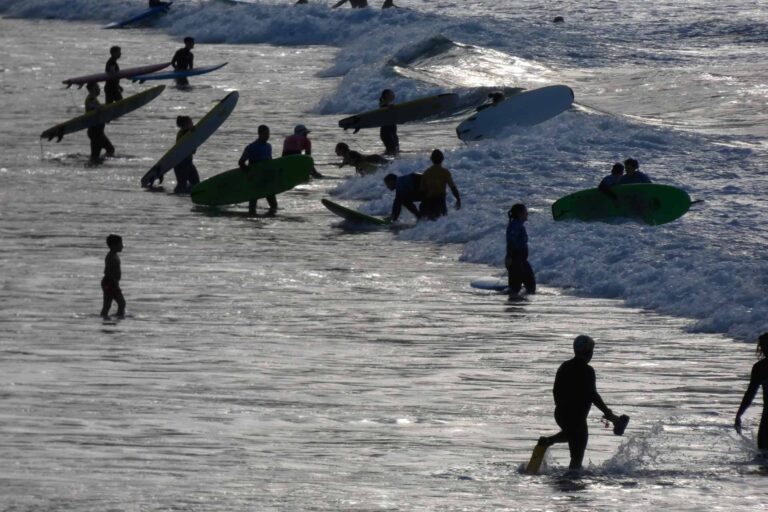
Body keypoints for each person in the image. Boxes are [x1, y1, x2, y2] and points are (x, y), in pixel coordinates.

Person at [536, 335, 625, 471]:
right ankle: (571, 484)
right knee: (576, 460)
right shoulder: (587, 370)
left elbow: (555, 390)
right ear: (589, 352)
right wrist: (608, 413)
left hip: (560, 413)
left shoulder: (564, 366)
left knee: (570, 434)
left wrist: (562, 407)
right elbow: (592, 395)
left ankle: (548, 442)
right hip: (576, 417)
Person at [734, 333, 768, 450]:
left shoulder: (760, 367)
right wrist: (739, 414)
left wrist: (739, 414)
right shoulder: (760, 367)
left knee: (763, 453)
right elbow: (750, 393)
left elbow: (751, 393)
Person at [239, 124, 276, 216]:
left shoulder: (269, 146)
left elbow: (270, 162)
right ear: (259, 134)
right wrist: (249, 174)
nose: (267, 136)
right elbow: (241, 162)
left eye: (268, 133)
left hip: (266, 179)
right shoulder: (251, 147)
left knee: (274, 205)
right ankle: (252, 218)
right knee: (252, 205)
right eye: (265, 134)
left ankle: (270, 217)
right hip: (255, 179)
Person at [419, 149, 461, 220]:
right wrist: (458, 199)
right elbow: (452, 187)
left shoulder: (426, 173)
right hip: (441, 201)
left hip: (429, 202)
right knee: (442, 221)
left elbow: (422, 190)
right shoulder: (445, 172)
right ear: (442, 159)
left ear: (431, 159)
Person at [505, 203, 535, 296]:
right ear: (520, 213)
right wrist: (509, 257)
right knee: (515, 289)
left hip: (522, 260)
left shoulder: (518, 225)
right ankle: (513, 306)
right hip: (516, 260)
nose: (527, 213)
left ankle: (516, 302)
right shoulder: (515, 226)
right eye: (525, 211)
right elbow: (511, 242)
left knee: (530, 287)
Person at [85, 82, 115, 165]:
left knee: (106, 151)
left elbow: (98, 113)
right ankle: (96, 163)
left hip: (98, 132)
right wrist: (103, 108)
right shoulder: (91, 99)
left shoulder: (94, 99)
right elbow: (95, 110)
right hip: (95, 132)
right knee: (108, 150)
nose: (99, 89)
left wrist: (106, 117)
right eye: (97, 87)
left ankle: (97, 163)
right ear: (92, 89)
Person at [100, 234, 126, 319]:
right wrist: (114, 283)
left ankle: (107, 319)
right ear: (113, 245)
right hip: (110, 283)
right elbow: (107, 271)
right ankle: (118, 319)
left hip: (111, 283)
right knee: (121, 303)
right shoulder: (110, 257)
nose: (122, 246)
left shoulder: (114, 255)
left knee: (108, 305)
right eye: (120, 244)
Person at [172, 116, 200, 193]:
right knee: (181, 185)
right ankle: (177, 199)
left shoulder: (187, 132)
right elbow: (186, 135)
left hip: (188, 163)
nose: (193, 124)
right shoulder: (183, 133)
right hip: (180, 164)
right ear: (186, 124)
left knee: (196, 184)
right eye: (191, 122)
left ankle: (188, 196)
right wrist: (192, 130)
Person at [378, 89, 399, 156]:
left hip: (392, 133)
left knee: (395, 151)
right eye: (391, 93)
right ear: (387, 95)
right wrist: (388, 107)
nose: (393, 95)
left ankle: (390, 165)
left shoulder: (389, 105)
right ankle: (385, 164)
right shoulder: (383, 104)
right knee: (392, 152)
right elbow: (382, 107)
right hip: (386, 134)